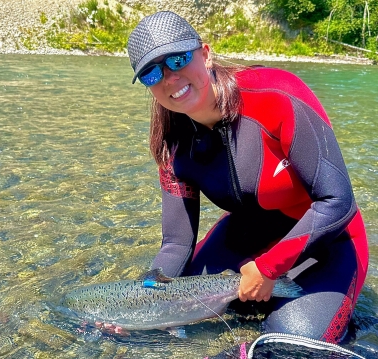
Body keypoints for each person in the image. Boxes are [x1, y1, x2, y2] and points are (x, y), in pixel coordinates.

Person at [126, 11, 368, 343]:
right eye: (152, 73)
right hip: (246, 237)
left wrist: (268, 269)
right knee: (173, 306)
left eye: (178, 59)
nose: (170, 78)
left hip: (330, 240)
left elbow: (338, 202)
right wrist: (136, 302)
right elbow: (176, 243)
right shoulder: (171, 144)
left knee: (287, 342)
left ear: (206, 54)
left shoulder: (278, 95)